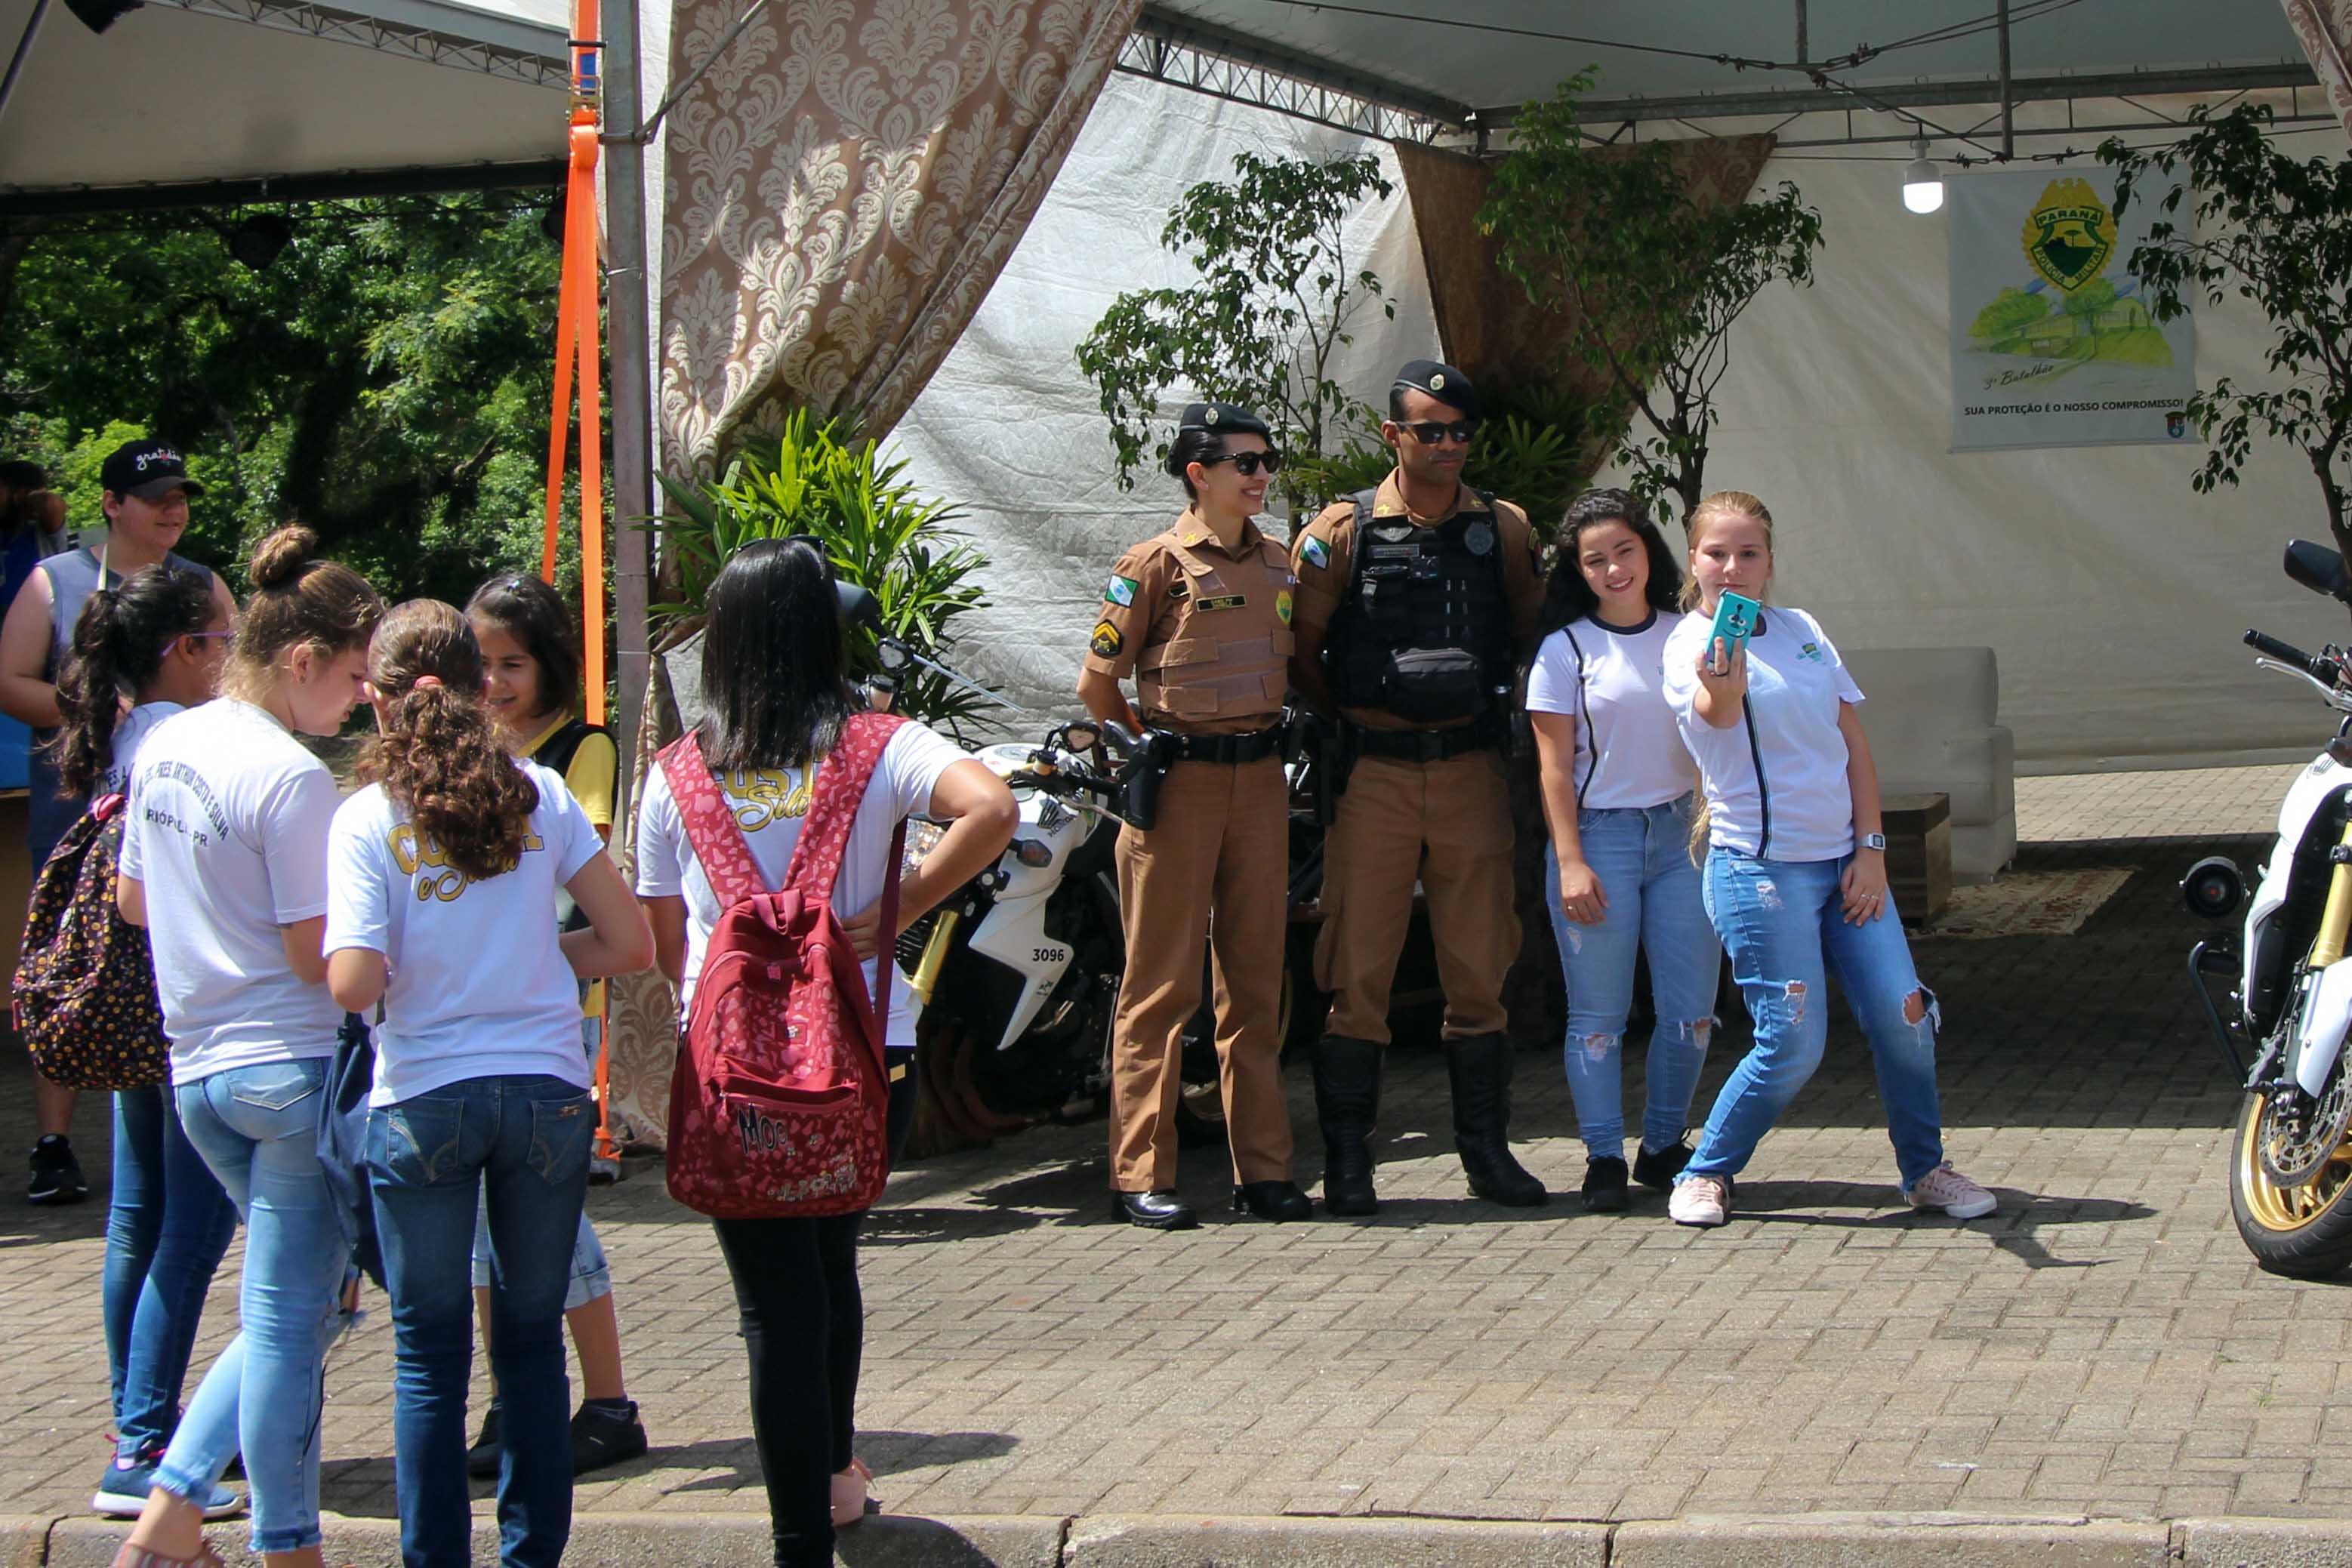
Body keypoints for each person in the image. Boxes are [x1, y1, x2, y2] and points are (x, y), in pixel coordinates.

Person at [636, 539, 1014, 1566]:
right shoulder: (878, 745)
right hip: (861, 1057)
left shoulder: (674, 777)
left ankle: (798, 1535)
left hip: (731, 1079)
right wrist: (891, 911)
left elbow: (668, 948)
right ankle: (837, 1481)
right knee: (831, 1267)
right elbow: (993, 807)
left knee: (773, 1306)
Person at [325, 599, 654, 1568]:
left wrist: (413, 962)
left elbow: (353, 980)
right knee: (529, 1343)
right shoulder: (541, 793)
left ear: (377, 704)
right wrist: (540, 957)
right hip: (545, 1092)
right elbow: (628, 941)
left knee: (427, 1358)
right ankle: (531, 1556)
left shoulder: (364, 817)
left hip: (422, 1094)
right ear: (480, 691)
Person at [110, 525, 382, 1568]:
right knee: (287, 1322)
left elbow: (136, 900)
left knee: (295, 1313)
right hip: (291, 1070)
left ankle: (194, 1524)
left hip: (197, 1072)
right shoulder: (291, 777)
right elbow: (323, 959)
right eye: (355, 678)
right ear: (301, 661)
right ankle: (256, 1537)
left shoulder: (166, 745)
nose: (361, 699)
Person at [1660, 490, 1997, 1229]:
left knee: (1905, 1013)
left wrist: (1871, 850)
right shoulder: (1689, 644)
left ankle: (1924, 1168)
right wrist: (1725, 675)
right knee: (1793, 1041)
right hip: (1757, 872)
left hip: (1845, 864)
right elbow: (1714, 715)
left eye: (1748, 553)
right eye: (1717, 552)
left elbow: (1851, 743)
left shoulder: (1804, 630)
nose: (1732, 566)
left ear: (1770, 562)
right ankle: (1705, 1170)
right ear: (1693, 561)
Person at [1287, 359, 1549, 1215]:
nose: (1447, 445)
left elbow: (1525, 635)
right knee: (1356, 971)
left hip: (1472, 772)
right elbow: (1305, 649)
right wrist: (1356, 723)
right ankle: (1350, 1166)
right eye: (1428, 430)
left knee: (1479, 969)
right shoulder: (1341, 529)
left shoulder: (1504, 527)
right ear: (1392, 435)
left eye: (1460, 430)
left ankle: (1486, 1155)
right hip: (1376, 775)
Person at [1077, 402, 1311, 1231]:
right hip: (1177, 789)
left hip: (1258, 786)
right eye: (1242, 462)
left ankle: (1266, 1173)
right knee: (1159, 986)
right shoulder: (1153, 563)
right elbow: (1096, 685)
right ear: (1197, 472)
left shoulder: (1281, 564)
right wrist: (1145, 750)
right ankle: (1138, 1170)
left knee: (1253, 983)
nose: (1258, 475)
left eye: (1264, 461)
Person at [51, 566, 245, 1517]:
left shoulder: (126, 730)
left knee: (137, 1218)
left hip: (136, 1012)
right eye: (223, 635)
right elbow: (148, 890)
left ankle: (141, 1421)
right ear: (187, 650)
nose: (233, 652)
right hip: (186, 1013)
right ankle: (146, 1443)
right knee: (193, 1227)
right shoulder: (190, 741)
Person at [0, 439, 237, 1206]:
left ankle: (181, 1125)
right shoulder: (55, 580)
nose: (174, 507)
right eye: (156, 495)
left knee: (170, 964)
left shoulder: (204, 587)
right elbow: (9, 681)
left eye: (181, 494)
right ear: (111, 503)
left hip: (180, 820)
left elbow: (237, 687)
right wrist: (97, 710)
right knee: (75, 967)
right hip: (79, 817)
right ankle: (53, 1141)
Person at [459, 571, 647, 1476]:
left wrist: (526, 959)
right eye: (480, 663)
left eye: (512, 663)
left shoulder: (585, 747)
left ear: (550, 666)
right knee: (488, 1241)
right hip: (468, 1019)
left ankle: (608, 1403)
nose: (494, 681)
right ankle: (513, 1403)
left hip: (549, 1018)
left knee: (548, 1222)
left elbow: (588, 889)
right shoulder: (452, 752)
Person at [1527, 489, 1720, 1213]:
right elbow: (1550, 767)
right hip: (1599, 836)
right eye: (1594, 560)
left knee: (1690, 1011)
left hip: (1683, 837)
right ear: (1577, 572)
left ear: (1649, 550)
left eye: (1624, 551)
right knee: (1598, 1018)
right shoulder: (1563, 648)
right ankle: (1602, 1154)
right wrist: (1570, 859)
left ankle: (1664, 1142)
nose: (1613, 569)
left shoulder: (1686, 632)